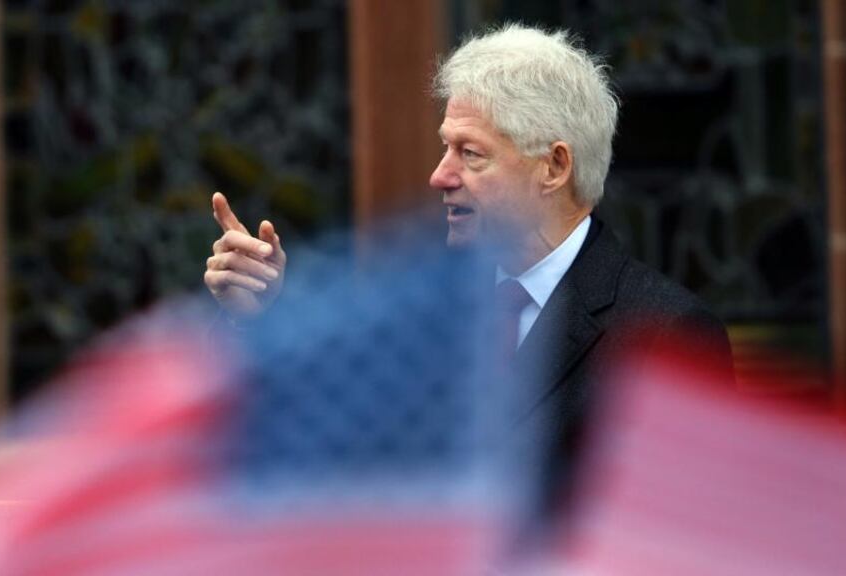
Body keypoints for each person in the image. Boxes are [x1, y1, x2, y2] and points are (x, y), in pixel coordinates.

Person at [204, 23, 732, 503]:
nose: (440, 176)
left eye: (470, 154)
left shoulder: (669, 334)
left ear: (554, 167)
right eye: (445, 148)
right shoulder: (421, 313)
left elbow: (688, 532)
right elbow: (337, 453)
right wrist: (260, 316)